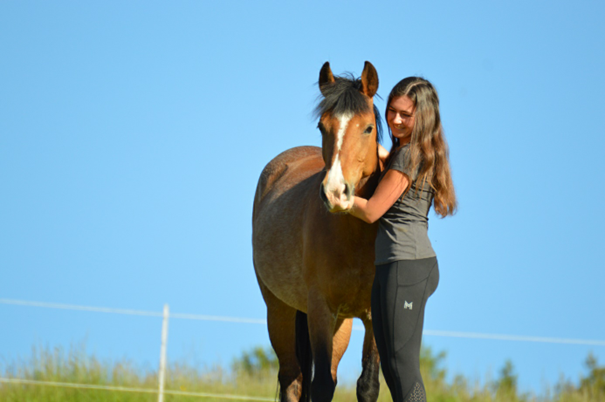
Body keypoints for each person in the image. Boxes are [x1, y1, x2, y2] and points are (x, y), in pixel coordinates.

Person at [348, 77, 457, 402]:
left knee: (403, 366)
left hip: (407, 267)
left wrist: (340, 197)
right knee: (392, 368)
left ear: (422, 116)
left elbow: (371, 212)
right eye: (391, 112)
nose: (395, 120)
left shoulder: (410, 154)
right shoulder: (405, 151)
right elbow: (387, 160)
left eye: (404, 115)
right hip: (392, 265)